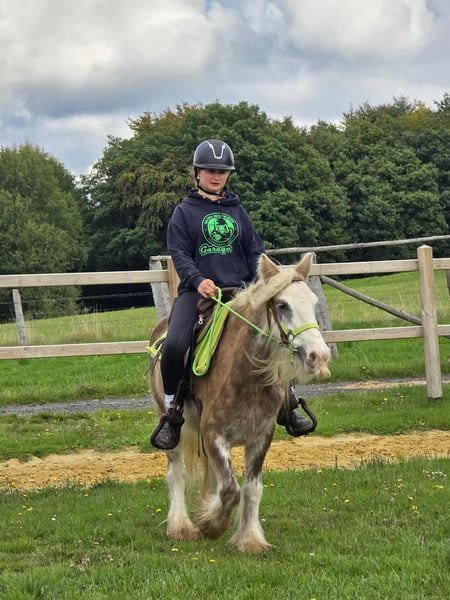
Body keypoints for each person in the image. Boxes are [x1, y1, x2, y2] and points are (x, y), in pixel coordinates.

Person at [150, 139, 313, 450]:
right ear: (197, 172)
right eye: (210, 170)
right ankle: (173, 412)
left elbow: (255, 251)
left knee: (278, 334)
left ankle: (288, 402)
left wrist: (267, 281)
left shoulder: (237, 210)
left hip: (241, 292)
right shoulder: (183, 212)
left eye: (222, 171)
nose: (217, 176)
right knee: (174, 346)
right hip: (198, 294)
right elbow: (179, 253)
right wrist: (198, 280)